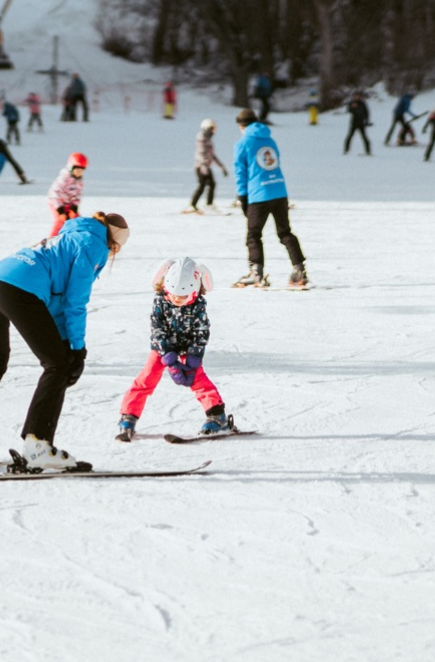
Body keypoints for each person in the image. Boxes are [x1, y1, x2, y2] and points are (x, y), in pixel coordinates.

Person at [0, 212, 132, 472]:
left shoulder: (68, 236)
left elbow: (54, 302)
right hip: (20, 289)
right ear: (114, 241)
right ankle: (38, 446)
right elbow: (75, 302)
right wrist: (77, 350)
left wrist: (66, 342)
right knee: (57, 366)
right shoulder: (93, 245)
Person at [115, 257, 232, 441]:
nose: (177, 299)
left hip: (187, 349)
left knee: (199, 380)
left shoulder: (198, 305)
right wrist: (167, 354)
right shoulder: (161, 301)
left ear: (194, 291)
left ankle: (217, 416)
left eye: (182, 296)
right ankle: (128, 416)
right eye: (173, 294)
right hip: (162, 349)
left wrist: (195, 353)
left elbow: (202, 329)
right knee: (146, 379)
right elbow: (157, 328)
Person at [232, 108, 307, 288]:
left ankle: (256, 272)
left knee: (253, 234)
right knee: (285, 232)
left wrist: (242, 196)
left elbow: (240, 171)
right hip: (279, 191)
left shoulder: (243, 143)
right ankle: (300, 270)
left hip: (259, 194)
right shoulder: (270, 140)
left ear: (242, 126)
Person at [187, 118, 229, 213]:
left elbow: (212, 155)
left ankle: (201, 204)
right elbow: (200, 154)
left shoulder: (208, 140)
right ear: (207, 128)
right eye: (212, 129)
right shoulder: (202, 139)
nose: (214, 132)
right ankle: (198, 205)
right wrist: (204, 166)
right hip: (201, 167)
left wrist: (221, 167)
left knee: (209, 185)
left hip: (205, 166)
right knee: (204, 185)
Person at [47, 153, 87, 236]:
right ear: (71, 168)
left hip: (68, 203)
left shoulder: (79, 181)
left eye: (82, 171)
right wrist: (61, 211)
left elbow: (78, 195)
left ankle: (76, 238)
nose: (79, 173)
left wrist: (74, 208)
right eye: (77, 170)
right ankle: (51, 240)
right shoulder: (64, 178)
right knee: (60, 220)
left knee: (77, 220)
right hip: (56, 203)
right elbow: (55, 194)